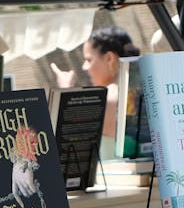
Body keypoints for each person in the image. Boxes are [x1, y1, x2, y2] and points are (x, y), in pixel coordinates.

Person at [52, 26, 141, 155]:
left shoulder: (109, 98)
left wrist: (65, 90)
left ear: (109, 58)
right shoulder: (138, 91)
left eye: (89, 60)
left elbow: (69, 133)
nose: (84, 67)